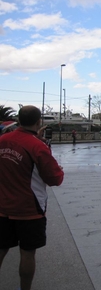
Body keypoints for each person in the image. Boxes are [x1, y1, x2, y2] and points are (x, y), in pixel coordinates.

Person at [0, 106, 64, 290]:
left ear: (19, 120)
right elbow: (54, 178)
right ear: (39, 122)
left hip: (3, 206)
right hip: (29, 210)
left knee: (1, 248)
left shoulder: (3, 140)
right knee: (27, 253)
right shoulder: (37, 146)